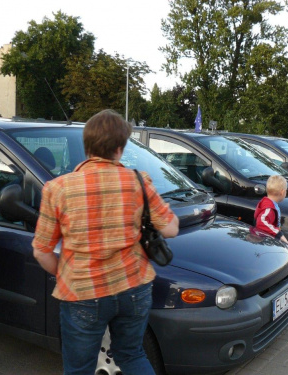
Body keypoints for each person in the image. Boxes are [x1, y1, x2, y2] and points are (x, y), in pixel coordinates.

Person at [32, 109, 179, 375]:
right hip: (134, 286)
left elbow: (42, 251)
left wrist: (66, 273)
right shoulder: (139, 181)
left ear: (86, 146)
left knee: (79, 369)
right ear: (120, 149)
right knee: (132, 354)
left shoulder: (58, 189)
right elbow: (170, 229)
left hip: (82, 293)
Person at [254, 175, 288, 246]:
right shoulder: (269, 208)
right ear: (282, 192)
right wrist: (279, 234)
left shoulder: (270, 203)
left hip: (269, 239)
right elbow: (261, 221)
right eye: (286, 190)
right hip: (266, 240)